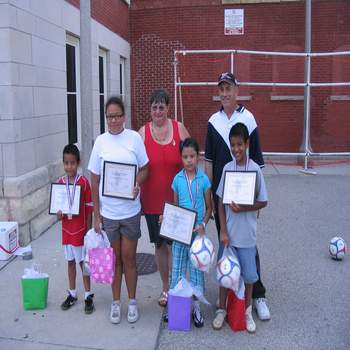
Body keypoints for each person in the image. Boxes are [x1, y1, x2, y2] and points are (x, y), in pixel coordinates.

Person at [205, 72, 271, 320]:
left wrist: (256, 206)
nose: (224, 93)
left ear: (236, 90)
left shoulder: (249, 119)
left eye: (228, 88)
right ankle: (227, 296)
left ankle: (258, 296)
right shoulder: (213, 121)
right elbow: (209, 162)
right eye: (221, 89)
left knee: (248, 248)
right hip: (223, 197)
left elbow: (259, 163)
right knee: (226, 244)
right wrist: (209, 196)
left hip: (245, 199)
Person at [88, 96, 149, 324]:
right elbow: (94, 180)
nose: (114, 120)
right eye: (110, 117)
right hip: (110, 214)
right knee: (114, 261)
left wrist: (137, 184)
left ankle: (132, 302)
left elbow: (145, 168)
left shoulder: (133, 139)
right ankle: (116, 302)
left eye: (117, 116)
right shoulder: (100, 142)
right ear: (106, 118)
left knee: (129, 258)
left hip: (130, 211)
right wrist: (97, 215)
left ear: (124, 116)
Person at [212, 123, 268, 332]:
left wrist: (245, 207)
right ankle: (221, 308)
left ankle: (246, 310)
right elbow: (220, 202)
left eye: (239, 144)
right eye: (232, 145)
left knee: (249, 275)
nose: (236, 149)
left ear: (247, 143)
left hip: (247, 237)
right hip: (229, 237)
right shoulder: (227, 168)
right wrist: (223, 231)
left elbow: (263, 201)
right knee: (225, 273)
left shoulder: (255, 170)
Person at [139, 89, 190, 307]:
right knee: (160, 245)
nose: (158, 111)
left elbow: (192, 156)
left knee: (177, 246)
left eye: (162, 107)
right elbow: (133, 165)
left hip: (176, 202)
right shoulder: (142, 133)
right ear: (150, 110)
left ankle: (181, 285)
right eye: (154, 107)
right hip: (152, 202)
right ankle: (166, 288)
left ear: (168, 108)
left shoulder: (179, 128)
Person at [169, 138, 212, 327]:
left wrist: (203, 223)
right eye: (185, 157)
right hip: (180, 235)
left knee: (196, 272)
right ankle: (176, 307)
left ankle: (196, 307)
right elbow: (175, 207)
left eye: (192, 156)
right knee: (177, 270)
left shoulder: (203, 179)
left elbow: (209, 207)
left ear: (198, 157)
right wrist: (168, 220)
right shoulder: (177, 180)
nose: (189, 160)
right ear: (181, 158)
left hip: (197, 235)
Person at [56, 144, 94, 314]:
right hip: (66, 231)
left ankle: (88, 295)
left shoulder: (84, 183)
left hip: (80, 232)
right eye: (66, 163)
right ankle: (72, 293)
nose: (69, 166)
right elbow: (58, 211)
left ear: (78, 163)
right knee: (70, 262)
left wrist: (89, 230)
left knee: (82, 264)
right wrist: (58, 214)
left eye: (72, 163)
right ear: (63, 163)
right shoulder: (59, 183)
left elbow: (90, 207)